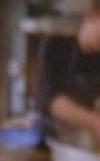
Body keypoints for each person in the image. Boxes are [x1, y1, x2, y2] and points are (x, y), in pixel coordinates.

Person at [43, 5, 100, 147]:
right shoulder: (56, 44)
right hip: (48, 143)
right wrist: (94, 122)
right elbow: (51, 102)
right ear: (92, 17)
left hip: (84, 139)